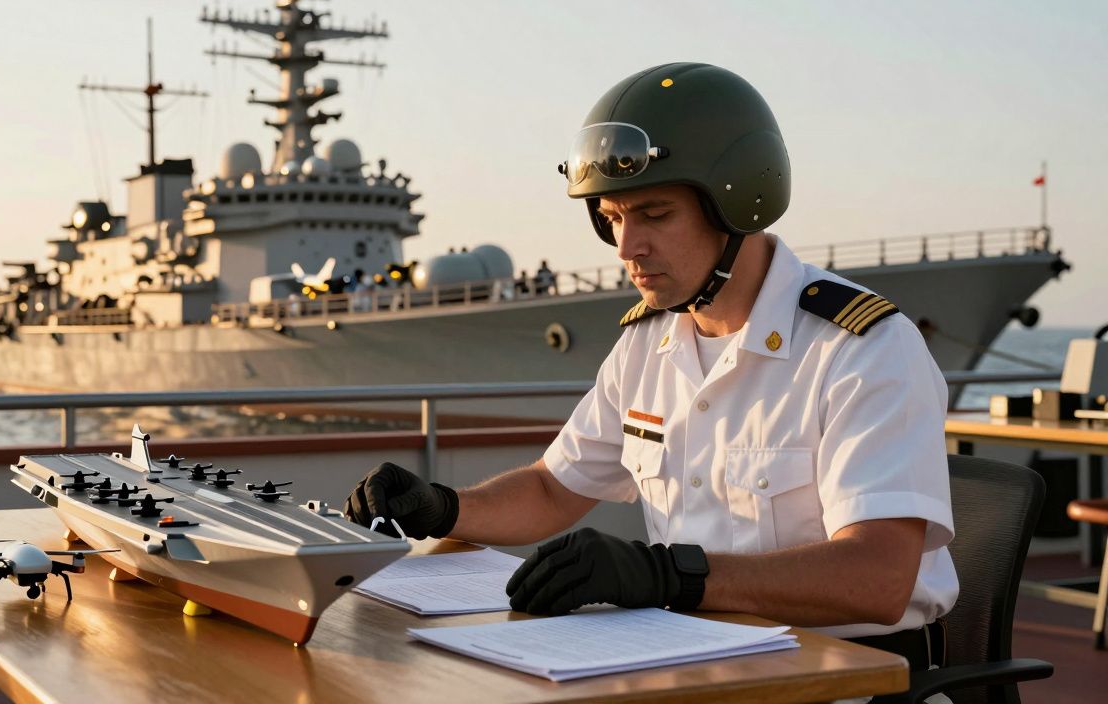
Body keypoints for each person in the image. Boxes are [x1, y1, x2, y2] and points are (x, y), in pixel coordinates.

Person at [343, 63, 957, 675]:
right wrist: (443, 508)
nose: (626, 247)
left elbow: (877, 578)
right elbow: (554, 488)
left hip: (845, 679)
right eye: (612, 217)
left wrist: (666, 575)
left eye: (655, 214)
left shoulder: (861, 348)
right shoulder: (649, 343)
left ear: (739, 203)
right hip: (687, 662)